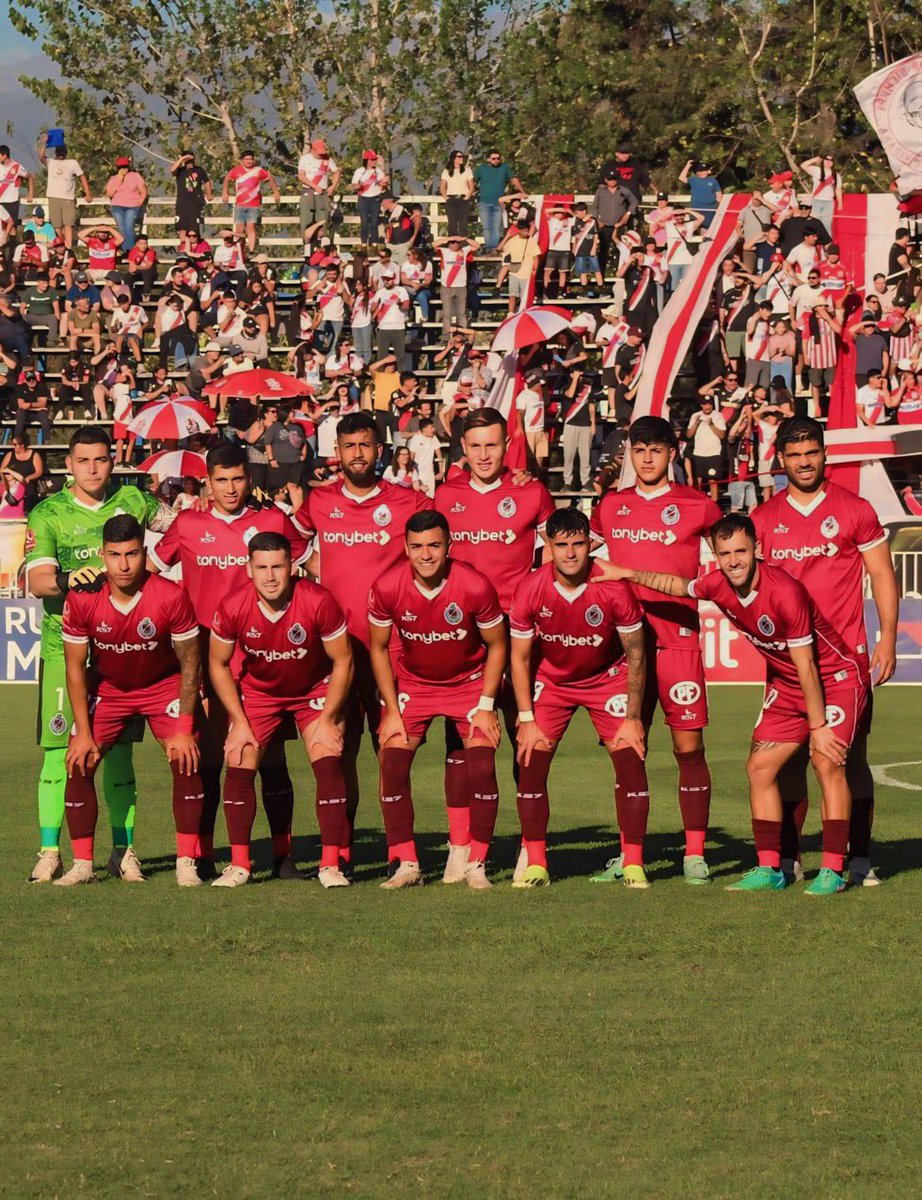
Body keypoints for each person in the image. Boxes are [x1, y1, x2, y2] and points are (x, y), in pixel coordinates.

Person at [596, 512, 866, 895]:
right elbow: (678, 585)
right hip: (787, 687)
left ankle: (833, 870)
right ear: (715, 555)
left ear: (756, 549)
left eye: (741, 550)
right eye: (725, 553)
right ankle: (770, 869)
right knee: (759, 767)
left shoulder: (784, 592)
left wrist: (819, 728)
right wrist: (626, 573)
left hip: (834, 681)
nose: (734, 560)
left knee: (827, 761)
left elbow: (807, 663)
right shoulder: (717, 584)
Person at [148, 443, 310, 880]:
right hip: (206, 661)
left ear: (249, 479)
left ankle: (283, 856)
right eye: (221, 480)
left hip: (264, 659)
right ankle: (201, 855)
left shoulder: (272, 520)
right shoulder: (187, 523)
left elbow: (309, 563)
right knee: (210, 759)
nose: (231, 488)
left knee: (271, 757)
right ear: (207, 482)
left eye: (238, 478)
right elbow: (148, 570)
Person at [24, 427, 177, 883]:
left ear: (113, 461)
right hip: (62, 649)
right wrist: (71, 579)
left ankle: (122, 851)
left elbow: (180, 529)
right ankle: (50, 851)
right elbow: (37, 583)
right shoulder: (47, 513)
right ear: (68, 465)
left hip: (122, 654)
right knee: (59, 755)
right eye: (83, 460)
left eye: (101, 459)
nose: (93, 468)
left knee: (118, 756)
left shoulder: (133, 499)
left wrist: (159, 566)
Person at [752, 418, 898, 886]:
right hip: (788, 666)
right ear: (780, 461)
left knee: (844, 758)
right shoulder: (762, 519)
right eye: (795, 455)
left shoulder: (854, 509)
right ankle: (790, 861)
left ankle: (858, 859)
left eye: (811, 452)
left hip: (846, 661)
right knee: (787, 759)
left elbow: (881, 573)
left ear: (823, 454)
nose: (804, 462)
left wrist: (887, 636)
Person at [292, 413, 432, 865]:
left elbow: (437, 549)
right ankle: (344, 849)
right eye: (349, 445)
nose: (357, 453)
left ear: (380, 449)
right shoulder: (318, 501)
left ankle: (399, 851)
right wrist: (323, 574)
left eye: (365, 445)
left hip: (391, 646)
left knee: (392, 746)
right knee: (340, 749)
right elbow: (289, 547)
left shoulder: (408, 502)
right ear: (338, 451)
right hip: (336, 649)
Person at [589, 416, 721, 884]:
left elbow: (734, 555)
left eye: (656, 450)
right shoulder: (611, 506)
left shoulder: (698, 504)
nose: (647, 459)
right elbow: (578, 557)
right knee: (628, 749)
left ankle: (695, 853)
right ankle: (630, 856)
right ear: (628, 453)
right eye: (639, 450)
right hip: (623, 650)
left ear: (672, 452)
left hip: (677, 642)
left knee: (689, 748)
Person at [54, 514, 203, 886]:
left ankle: (187, 861)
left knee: (185, 758)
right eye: (115, 555)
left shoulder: (170, 595)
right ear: (102, 555)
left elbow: (190, 664)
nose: (123, 564)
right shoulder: (83, 599)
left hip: (162, 686)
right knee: (78, 760)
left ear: (145, 552)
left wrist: (184, 729)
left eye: (132, 554)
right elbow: (75, 669)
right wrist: (84, 732)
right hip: (109, 690)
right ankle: (83, 864)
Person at [509, 508, 647, 888]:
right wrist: (525, 718)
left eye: (578, 544)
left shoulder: (614, 587)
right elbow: (519, 657)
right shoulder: (531, 587)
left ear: (590, 544)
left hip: (606, 681)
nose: (570, 553)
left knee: (631, 760)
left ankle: (633, 862)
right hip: (552, 684)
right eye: (562, 545)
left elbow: (635, 652)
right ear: (548, 547)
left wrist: (633, 717)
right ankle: (536, 862)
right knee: (531, 762)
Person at [368, 510, 507, 889]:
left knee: (481, 765)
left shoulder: (474, 585)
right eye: (417, 546)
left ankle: (476, 862)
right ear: (404, 547)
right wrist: (391, 710)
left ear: (449, 546)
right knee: (392, 764)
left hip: (469, 686)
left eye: (434, 545)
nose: (426, 554)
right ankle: (407, 864)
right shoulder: (387, 586)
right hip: (416, 686)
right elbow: (379, 649)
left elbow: (497, 645)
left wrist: (487, 704)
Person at [208, 532, 353, 888]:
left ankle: (330, 865)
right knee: (239, 758)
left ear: (292, 567)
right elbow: (217, 663)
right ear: (249, 569)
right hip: (260, 694)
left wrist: (329, 718)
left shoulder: (318, 600)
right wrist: (239, 722)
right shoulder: (232, 606)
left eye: (278, 566)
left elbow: (343, 659)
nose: (270, 576)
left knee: (328, 754)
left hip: (312, 691)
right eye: (262, 568)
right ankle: (240, 865)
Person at [222, 151, 281, 252]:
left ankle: (251, 250)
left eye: (251, 159)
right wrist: (225, 192)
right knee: (239, 228)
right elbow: (227, 179)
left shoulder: (258, 170)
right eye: (246, 159)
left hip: (254, 204)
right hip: (240, 203)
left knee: (251, 227)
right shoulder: (236, 170)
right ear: (242, 161)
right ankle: (239, 250)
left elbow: (270, 178)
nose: (249, 161)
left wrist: (276, 192)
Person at [39, 137, 91, 249]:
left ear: (66, 152)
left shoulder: (72, 163)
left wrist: (88, 193)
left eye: (62, 151)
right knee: (56, 225)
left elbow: (82, 177)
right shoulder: (51, 162)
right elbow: (41, 156)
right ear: (56, 152)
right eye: (59, 151)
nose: (61, 154)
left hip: (68, 198)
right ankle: (61, 246)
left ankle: (69, 249)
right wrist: (44, 142)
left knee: (68, 225)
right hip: (53, 197)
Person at [474, 151, 522, 251]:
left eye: (498, 158)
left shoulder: (504, 167)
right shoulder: (482, 168)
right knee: (487, 227)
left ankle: (494, 249)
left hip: (499, 203)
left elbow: (513, 179)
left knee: (496, 227)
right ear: (488, 159)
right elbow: (473, 182)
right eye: (493, 158)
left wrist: (522, 191)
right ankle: (489, 248)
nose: (496, 161)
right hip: (484, 202)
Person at [435, 235, 478, 336]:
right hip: (446, 287)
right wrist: (448, 238)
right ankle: (446, 337)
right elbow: (433, 244)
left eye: (457, 242)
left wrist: (464, 239)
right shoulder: (444, 251)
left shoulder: (465, 250)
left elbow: (477, 245)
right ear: (449, 243)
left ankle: (462, 335)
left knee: (461, 314)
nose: (455, 244)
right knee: (447, 314)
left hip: (461, 286)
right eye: (452, 242)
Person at [104, 157, 148, 251]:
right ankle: (124, 250)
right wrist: (120, 179)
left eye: (125, 167)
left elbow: (143, 191)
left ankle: (130, 250)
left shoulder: (135, 176)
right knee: (121, 228)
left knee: (129, 227)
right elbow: (109, 193)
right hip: (117, 206)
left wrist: (140, 202)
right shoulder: (114, 178)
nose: (124, 169)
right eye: (121, 167)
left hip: (132, 206)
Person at [687, 397, 726, 501]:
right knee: (697, 480)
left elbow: (722, 435)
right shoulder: (695, 415)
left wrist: (711, 424)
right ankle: (697, 501)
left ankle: (714, 502)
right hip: (698, 453)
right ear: (701, 405)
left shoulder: (718, 416)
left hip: (714, 453)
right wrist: (696, 422)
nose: (707, 407)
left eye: (709, 404)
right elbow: (689, 434)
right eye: (704, 404)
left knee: (713, 480)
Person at [297, 139, 340, 233]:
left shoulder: (327, 159)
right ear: (313, 150)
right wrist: (315, 186)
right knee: (307, 219)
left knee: (322, 219)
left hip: (322, 194)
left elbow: (336, 172)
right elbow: (301, 176)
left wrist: (333, 186)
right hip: (308, 191)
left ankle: (321, 243)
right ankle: (308, 244)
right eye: (319, 152)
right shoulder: (304, 159)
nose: (321, 155)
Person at [351, 151, 390, 246]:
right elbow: (353, 185)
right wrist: (359, 186)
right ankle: (364, 245)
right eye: (372, 159)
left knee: (374, 223)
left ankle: (374, 245)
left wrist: (383, 184)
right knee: (364, 223)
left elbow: (383, 187)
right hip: (363, 199)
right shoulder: (360, 171)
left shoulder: (378, 172)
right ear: (367, 160)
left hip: (375, 199)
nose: (374, 161)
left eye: (375, 159)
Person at [170, 151, 213, 235]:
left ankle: (194, 246)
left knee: (193, 230)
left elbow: (207, 181)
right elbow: (172, 170)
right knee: (182, 229)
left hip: (195, 202)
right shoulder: (180, 170)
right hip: (182, 203)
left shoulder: (199, 170)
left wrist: (209, 193)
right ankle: (184, 247)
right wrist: (182, 159)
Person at [799, 155, 842, 235]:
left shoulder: (836, 175)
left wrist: (840, 203)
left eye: (831, 160)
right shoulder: (816, 170)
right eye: (826, 159)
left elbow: (838, 189)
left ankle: (827, 246)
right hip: (817, 201)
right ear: (823, 160)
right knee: (814, 225)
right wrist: (815, 159)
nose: (828, 161)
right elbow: (803, 165)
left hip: (829, 202)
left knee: (827, 226)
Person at [440, 150, 475, 237]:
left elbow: (471, 186)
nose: (462, 158)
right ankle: (453, 244)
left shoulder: (467, 170)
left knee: (463, 223)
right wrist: (445, 196)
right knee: (452, 223)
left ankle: (464, 244)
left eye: (462, 156)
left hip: (463, 199)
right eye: (459, 156)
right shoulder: (446, 171)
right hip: (451, 199)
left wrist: (467, 196)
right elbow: (442, 186)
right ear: (454, 158)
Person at [678, 160, 722, 226]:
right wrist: (688, 165)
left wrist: (721, 207)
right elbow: (681, 177)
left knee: (708, 229)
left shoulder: (713, 180)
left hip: (710, 210)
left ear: (708, 171)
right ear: (697, 172)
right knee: (694, 229)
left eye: (704, 170)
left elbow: (719, 195)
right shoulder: (693, 180)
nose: (703, 172)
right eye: (701, 171)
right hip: (696, 210)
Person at [406, 417, 442, 497]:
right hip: (418, 474)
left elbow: (439, 454)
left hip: (430, 474)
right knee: (419, 497)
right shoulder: (416, 439)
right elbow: (411, 456)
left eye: (433, 427)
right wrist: (408, 471)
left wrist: (441, 472)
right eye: (431, 427)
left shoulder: (434, 438)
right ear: (424, 429)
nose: (434, 429)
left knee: (430, 498)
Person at [0, 145, 34, 229]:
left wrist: (30, 194)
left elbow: (29, 177)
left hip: (12, 201)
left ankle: (12, 242)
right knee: (2, 227)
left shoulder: (17, 167)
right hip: (0, 201)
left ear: (4, 155)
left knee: (12, 227)